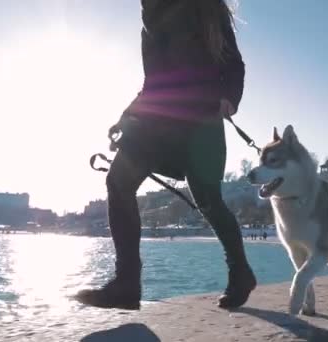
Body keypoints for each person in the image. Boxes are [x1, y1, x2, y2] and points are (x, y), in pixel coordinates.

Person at [74, 0, 256, 310]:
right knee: (119, 181)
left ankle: (241, 273)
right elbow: (154, 82)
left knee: (209, 200)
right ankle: (127, 283)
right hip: (156, 119)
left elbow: (234, 64)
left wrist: (229, 97)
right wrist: (127, 116)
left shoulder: (206, 7)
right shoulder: (150, 15)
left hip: (201, 120)